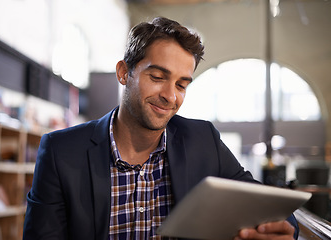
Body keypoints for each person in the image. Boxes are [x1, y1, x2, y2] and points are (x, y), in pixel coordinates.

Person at [23, 17, 298, 240]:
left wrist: (284, 228)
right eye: (157, 77)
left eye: (181, 85)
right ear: (123, 72)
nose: (170, 96)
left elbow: (268, 205)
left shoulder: (203, 141)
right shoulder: (61, 153)